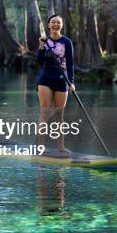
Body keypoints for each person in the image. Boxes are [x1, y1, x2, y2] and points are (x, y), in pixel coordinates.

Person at [36, 14, 74, 154]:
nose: (55, 24)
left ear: (61, 25)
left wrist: (72, 82)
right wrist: (41, 45)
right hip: (45, 80)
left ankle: (61, 147)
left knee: (59, 116)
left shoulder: (66, 42)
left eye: (58, 22)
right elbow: (39, 61)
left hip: (61, 80)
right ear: (48, 25)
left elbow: (70, 64)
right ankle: (41, 147)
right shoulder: (44, 41)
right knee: (44, 113)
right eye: (53, 22)